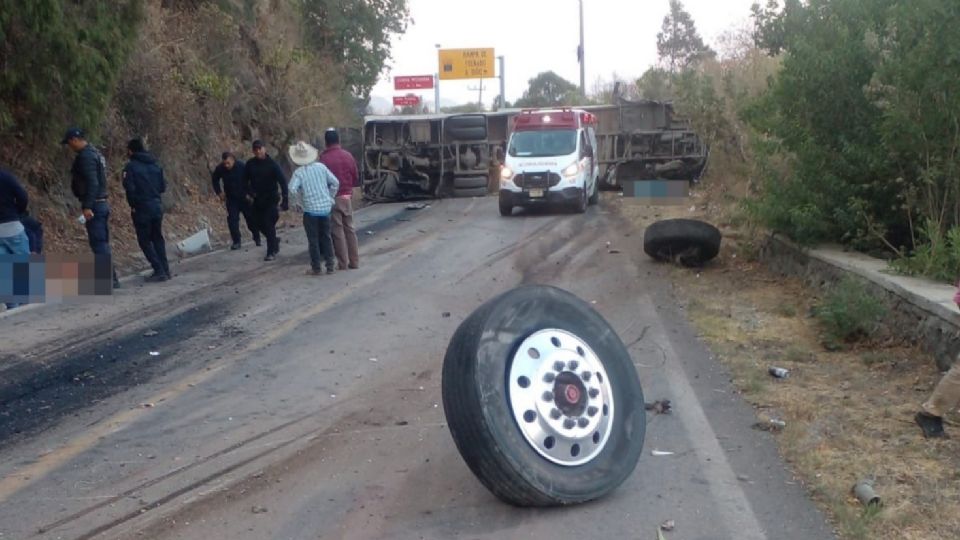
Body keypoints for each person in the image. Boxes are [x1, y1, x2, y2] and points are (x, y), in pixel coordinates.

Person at [63, 127, 120, 288]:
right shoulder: (94, 153)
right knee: (101, 242)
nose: (69, 147)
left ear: (74, 139)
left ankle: (109, 280)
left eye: (69, 143)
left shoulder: (86, 156)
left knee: (99, 243)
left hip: (95, 205)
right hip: (100, 203)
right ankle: (110, 278)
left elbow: (93, 182)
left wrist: (88, 206)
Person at [122, 138, 170, 282]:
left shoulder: (130, 167)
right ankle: (165, 269)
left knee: (144, 240)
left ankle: (158, 269)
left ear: (130, 151)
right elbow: (163, 187)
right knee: (157, 238)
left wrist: (133, 205)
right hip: (157, 205)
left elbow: (129, 189)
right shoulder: (155, 164)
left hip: (142, 207)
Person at [288, 141, 339, 275]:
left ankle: (316, 267)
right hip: (325, 209)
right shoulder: (321, 167)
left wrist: (298, 203)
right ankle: (330, 265)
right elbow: (335, 183)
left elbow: (292, 189)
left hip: (310, 211)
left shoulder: (299, 173)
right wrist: (330, 197)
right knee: (326, 237)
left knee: (313, 240)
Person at [318, 128, 360, 270]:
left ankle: (343, 263)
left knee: (337, 231)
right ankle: (354, 262)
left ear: (326, 142)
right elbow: (355, 176)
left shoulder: (323, 159)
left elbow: (322, 180)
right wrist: (349, 188)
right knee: (350, 229)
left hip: (333, 198)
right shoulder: (348, 156)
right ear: (338, 140)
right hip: (347, 197)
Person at [243, 140, 288, 261]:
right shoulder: (250, 164)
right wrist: (249, 193)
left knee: (268, 224)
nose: (258, 151)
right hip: (257, 199)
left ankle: (270, 252)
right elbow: (243, 181)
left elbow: (283, 182)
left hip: (271, 199)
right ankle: (273, 240)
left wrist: (285, 200)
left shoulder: (272, 164)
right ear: (253, 151)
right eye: (255, 149)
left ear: (264, 149)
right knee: (255, 224)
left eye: (259, 148)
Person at [211, 152, 260, 250]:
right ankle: (236, 241)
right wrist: (219, 192)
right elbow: (215, 179)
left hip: (244, 198)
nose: (226, 165)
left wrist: (251, 194)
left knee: (250, 219)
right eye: (225, 163)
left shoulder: (242, 166)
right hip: (231, 199)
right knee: (232, 220)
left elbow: (253, 179)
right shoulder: (221, 168)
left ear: (233, 160)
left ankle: (256, 236)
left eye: (228, 163)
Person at [0, 168, 30, 309]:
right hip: (12, 226)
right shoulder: (6, 176)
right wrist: (17, 212)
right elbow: (22, 196)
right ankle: (25, 303)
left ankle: (12, 307)